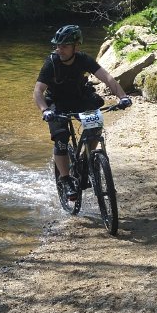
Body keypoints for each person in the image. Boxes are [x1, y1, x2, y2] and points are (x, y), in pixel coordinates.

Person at [33, 25, 132, 200]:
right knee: (61, 139)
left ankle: (87, 161)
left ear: (76, 47)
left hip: (79, 98)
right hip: (56, 103)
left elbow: (107, 78)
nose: (59, 49)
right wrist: (45, 110)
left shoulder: (83, 59)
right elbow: (38, 91)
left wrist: (123, 97)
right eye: (58, 45)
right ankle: (65, 179)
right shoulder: (51, 63)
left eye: (64, 46)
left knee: (95, 127)